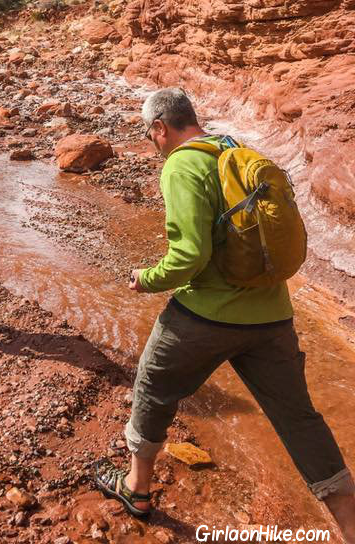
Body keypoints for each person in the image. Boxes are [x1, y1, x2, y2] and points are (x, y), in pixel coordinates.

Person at [94, 87, 355, 541]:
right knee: (300, 419)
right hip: (273, 316)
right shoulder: (234, 150)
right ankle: (350, 524)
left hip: (205, 316)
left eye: (149, 134)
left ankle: (136, 490)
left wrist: (148, 278)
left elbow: (189, 256)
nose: (152, 145)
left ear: (160, 127)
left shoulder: (182, 163)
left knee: (153, 385)